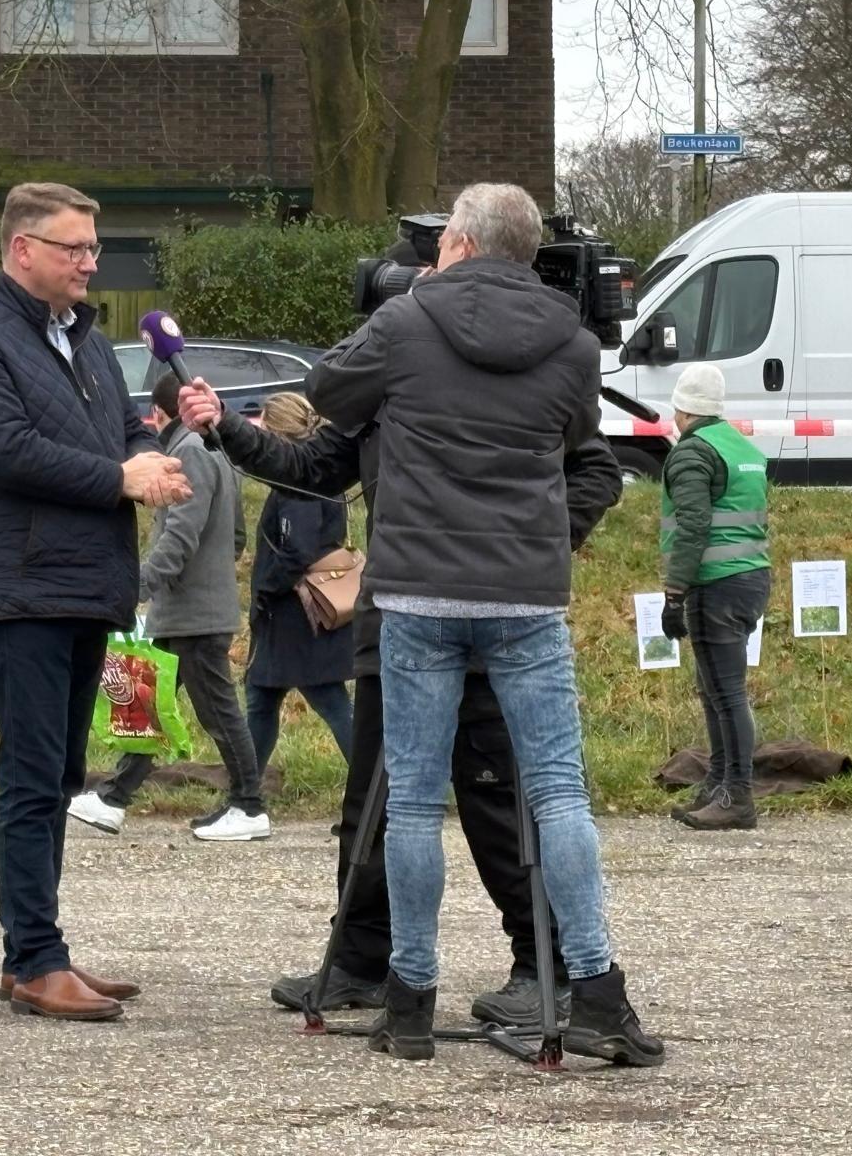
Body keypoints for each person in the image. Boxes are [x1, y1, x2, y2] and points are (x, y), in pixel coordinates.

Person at [306, 182, 663, 1065]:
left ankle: (411, 1003)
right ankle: (594, 992)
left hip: (420, 595)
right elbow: (577, 448)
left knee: (417, 804)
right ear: (531, 252)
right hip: (525, 597)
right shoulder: (577, 346)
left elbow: (326, 391)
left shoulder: (406, 321)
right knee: (558, 795)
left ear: (457, 243)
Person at [177, 380, 624, 1032]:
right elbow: (310, 465)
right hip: (396, 622)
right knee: (372, 804)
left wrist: (535, 546)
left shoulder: (515, 372)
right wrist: (229, 428)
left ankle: (541, 962)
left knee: (494, 799)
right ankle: (362, 958)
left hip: (492, 618)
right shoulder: (395, 368)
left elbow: (596, 471)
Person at [0, 182, 190, 1022]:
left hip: (91, 586)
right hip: (24, 590)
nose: (90, 263)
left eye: (92, 249)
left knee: (65, 774)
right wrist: (120, 478)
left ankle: (34, 953)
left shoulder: (90, 340)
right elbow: (5, 453)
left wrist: (152, 452)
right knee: (33, 778)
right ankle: (37, 960)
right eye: (74, 248)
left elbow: (123, 428)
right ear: (22, 250)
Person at [69, 372, 271, 842]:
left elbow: (179, 536)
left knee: (218, 713)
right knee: (149, 707)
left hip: (193, 614)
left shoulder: (187, 455)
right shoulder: (216, 452)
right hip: (188, 609)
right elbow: (236, 536)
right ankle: (113, 798)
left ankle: (249, 804)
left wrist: (138, 584)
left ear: (160, 414)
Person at [658, 364, 772, 831]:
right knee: (718, 691)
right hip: (751, 579)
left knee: (724, 694)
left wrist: (673, 592)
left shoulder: (691, 454)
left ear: (680, 410)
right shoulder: (742, 447)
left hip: (714, 584)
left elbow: (693, 525)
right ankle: (719, 783)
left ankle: (737, 794)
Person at [243, 392, 353, 775]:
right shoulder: (325, 469)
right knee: (263, 699)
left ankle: (377, 790)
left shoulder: (298, 479)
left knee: (329, 703)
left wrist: (266, 588)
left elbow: (297, 550)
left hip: (295, 617)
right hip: (300, 616)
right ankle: (246, 792)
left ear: (277, 431)